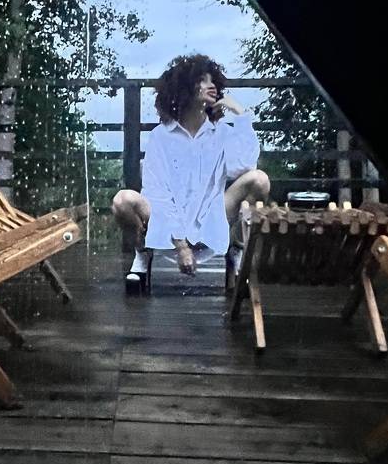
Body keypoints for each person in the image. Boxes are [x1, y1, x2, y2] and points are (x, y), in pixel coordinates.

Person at [112, 53, 270, 291]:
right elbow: (158, 194)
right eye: (202, 80)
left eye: (213, 80)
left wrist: (240, 113)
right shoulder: (160, 137)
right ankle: (143, 254)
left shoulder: (221, 132)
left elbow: (246, 166)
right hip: (166, 223)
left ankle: (236, 250)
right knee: (122, 200)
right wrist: (181, 245)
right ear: (185, 88)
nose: (211, 86)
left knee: (259, 180)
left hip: (211, 219)